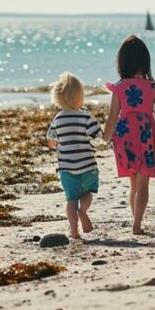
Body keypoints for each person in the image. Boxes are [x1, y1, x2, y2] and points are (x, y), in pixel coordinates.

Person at [102, 36, 155, 234]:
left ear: (122, 62)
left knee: (133, 182)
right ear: (145, 61)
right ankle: (137, 225)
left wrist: (103, 140)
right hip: (145, 136)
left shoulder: (118, 88)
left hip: (124, 136)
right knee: (143, 183)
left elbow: (111, 119)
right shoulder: (153, 89)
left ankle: (136, 221)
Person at [46, 72, 102, 240]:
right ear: (81, 96)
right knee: (87, 193)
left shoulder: (58, 119)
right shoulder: (85, 116)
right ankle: (83, 211)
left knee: (71, 200)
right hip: (87, 166)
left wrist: (61, 146)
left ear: (57, 98)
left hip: (67, 168)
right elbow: (97, 135)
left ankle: (74, 231)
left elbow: (50, 141)